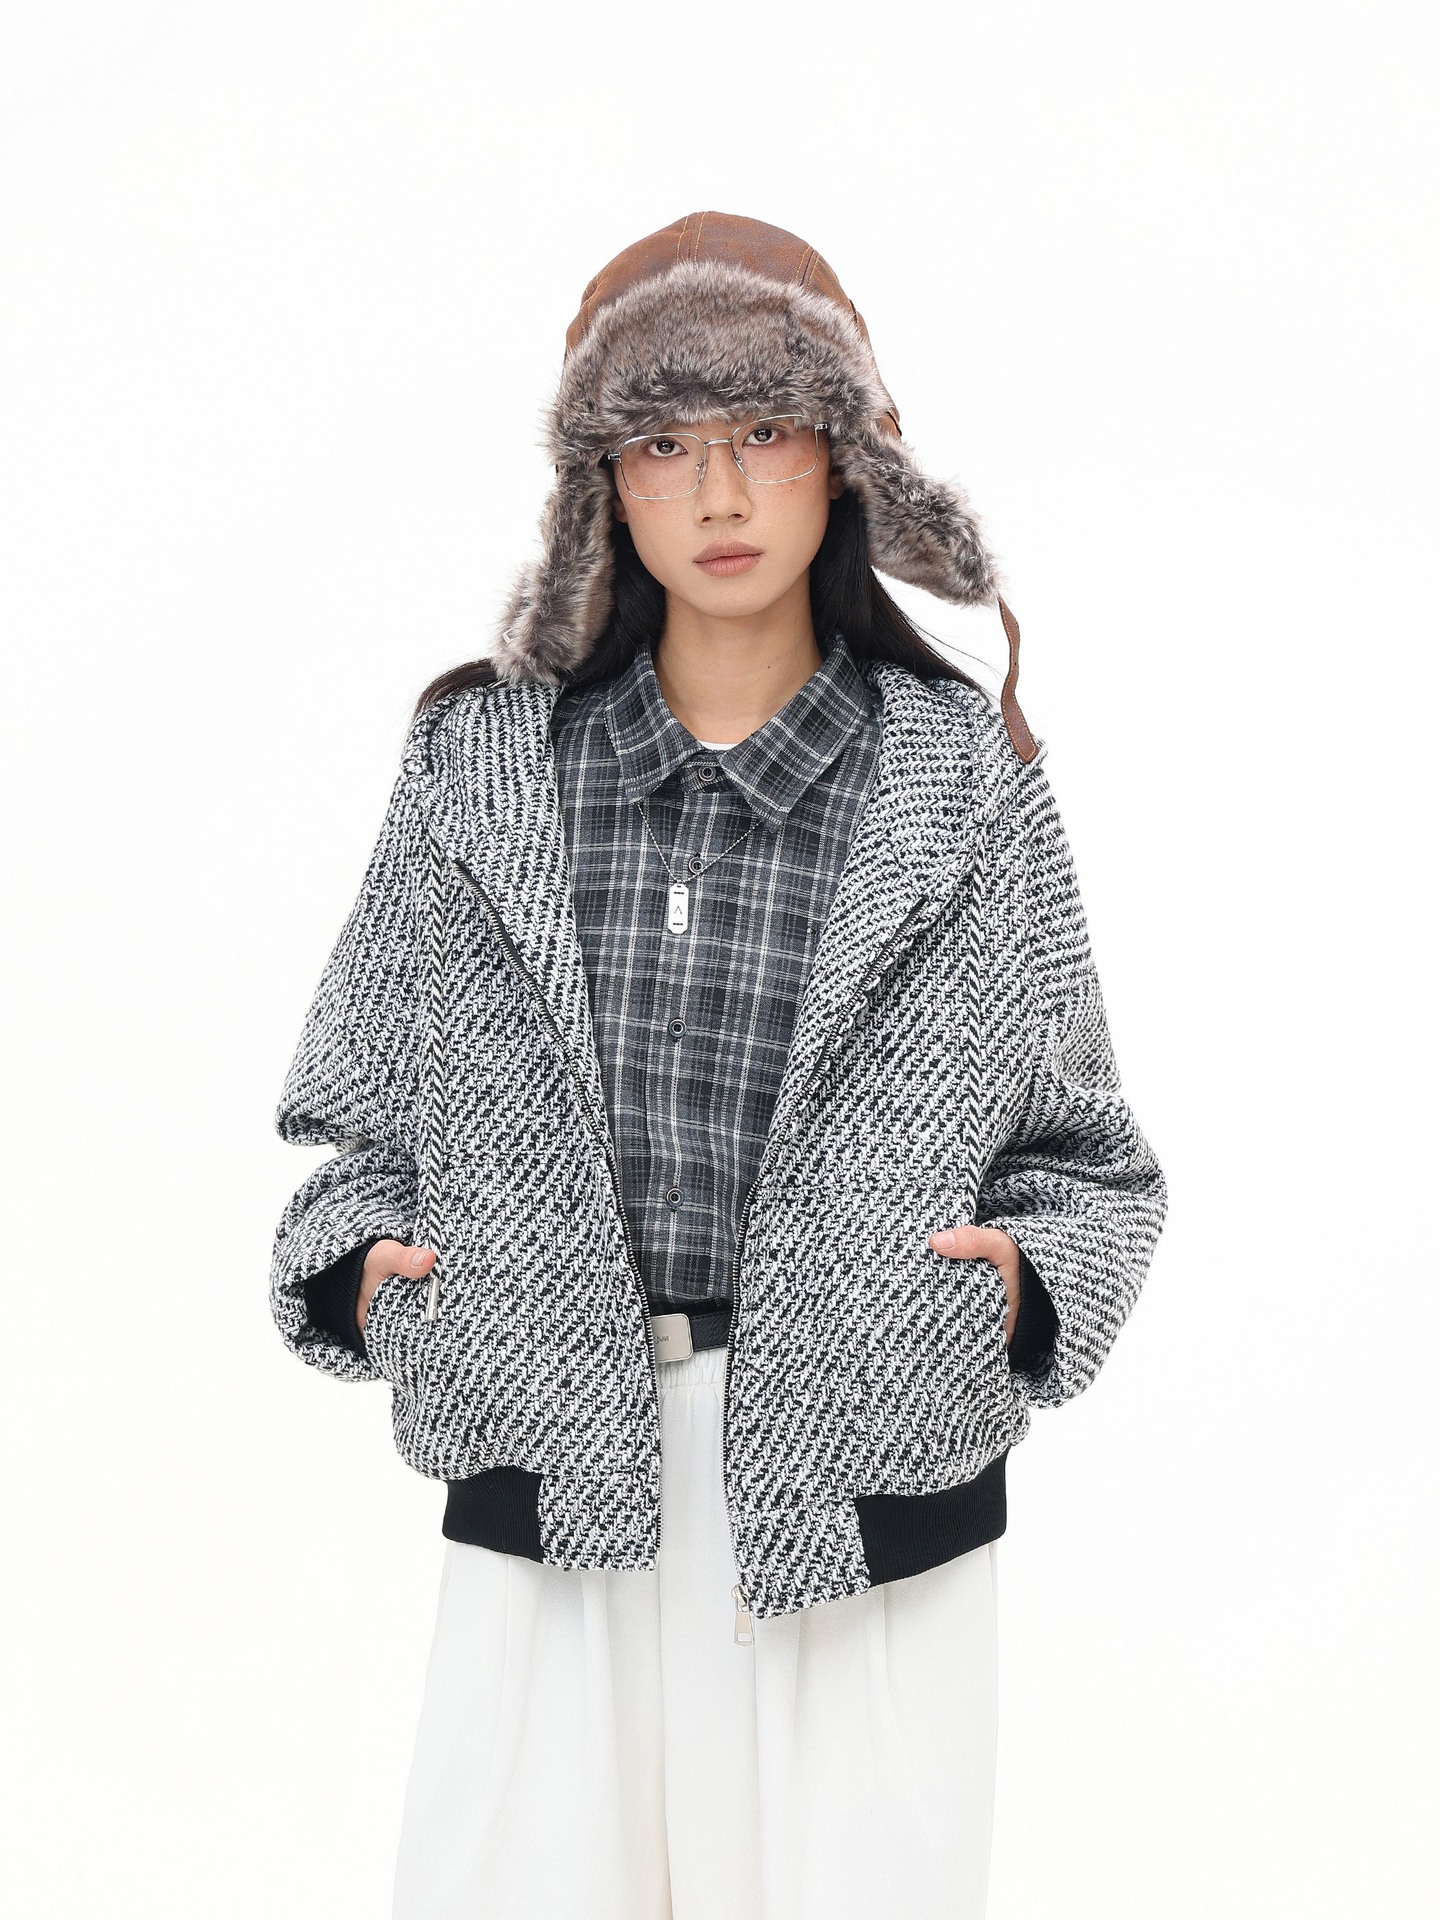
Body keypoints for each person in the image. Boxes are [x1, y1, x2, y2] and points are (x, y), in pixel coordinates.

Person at [268, 211, 1169, 1919]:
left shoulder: (962, 782)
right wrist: (368, 1273)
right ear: (600, 486)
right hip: (550, 1470)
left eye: (763, 429)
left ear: (847, 456)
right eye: (664, 445)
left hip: (869, 1482)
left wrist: (1011, 1291)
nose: (722, 493)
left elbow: (1088, 1158)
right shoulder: (483, 767)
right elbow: (357, 1116)